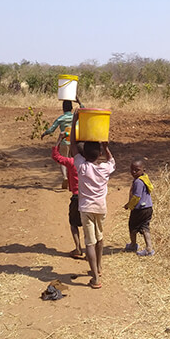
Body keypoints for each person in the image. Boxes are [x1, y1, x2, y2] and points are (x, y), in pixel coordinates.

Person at [69, 110, 115, 289]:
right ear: (99, 154)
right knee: (100, 237)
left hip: (86, 208)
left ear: (83, 153)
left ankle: (95, 277)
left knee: (89, 241)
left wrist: (75, 121)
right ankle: (99, 266)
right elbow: (112, 161)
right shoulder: (104, 168)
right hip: (101, 208)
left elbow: (73, 144)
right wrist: (105, 145)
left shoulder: (81, 166)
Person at [51, 130, 84, 259]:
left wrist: (59, 140)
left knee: (73, 223)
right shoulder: (89, 163)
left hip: (76, 197)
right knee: (88, 226)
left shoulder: (72, 162)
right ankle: (90, 249)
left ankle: (78, 248)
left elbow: (56, 157)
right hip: (88, 197)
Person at [123, 158, 155, 256]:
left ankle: (133, 245)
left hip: (139, 209)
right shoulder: (145, 178)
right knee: (145, 227)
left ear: (143, 170)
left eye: (137, 170)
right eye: (132, 169)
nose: (133, 172)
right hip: (148, 208)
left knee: (132, 226)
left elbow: (136, 196)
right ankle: (149, 248)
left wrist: (129, 205)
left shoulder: (138, 182)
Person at [41, 100, 75, 189]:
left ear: (63, 108)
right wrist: (79, 102)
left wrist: (45, 133)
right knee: (73, 161)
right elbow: (83, 110)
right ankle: (72, 179)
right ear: (71, 108)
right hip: (74, 142)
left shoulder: (61, 118)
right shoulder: (75, 117)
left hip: (64, 142)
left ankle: (65, 177)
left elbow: (52, 129)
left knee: (63, 160)